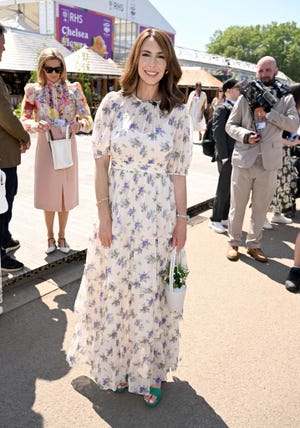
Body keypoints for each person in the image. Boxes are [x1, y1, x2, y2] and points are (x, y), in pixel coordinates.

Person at [66, 28, 192, 408]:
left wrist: (182, 219)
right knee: (116, 290)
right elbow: (101, 165)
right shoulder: (112, 105)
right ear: (136, 58)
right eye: (146, 55)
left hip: (157, 217)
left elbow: (179, 173)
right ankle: (117, 366)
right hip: (118, 215)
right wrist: (104, 215)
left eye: (160, 57)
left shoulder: (179, 113)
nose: (153, 64)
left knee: (149, 293)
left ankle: (147, 371)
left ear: (168, 64)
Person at [225, 56, 299, 263]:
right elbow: (230, 125)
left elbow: (293, 125)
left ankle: (254, 246)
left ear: (275, 71)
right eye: (261, 71)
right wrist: (245, 136)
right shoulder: (244, 96)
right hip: (243, 159)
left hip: (269, 162)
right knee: (237, 206)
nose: (265, 74)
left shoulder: (286, 98)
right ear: (256, 73)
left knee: (260, 208)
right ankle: (233, 243)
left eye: (268, 70)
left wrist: (269, 114)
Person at [21, 48, 93, 254]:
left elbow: (89, 119)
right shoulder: (33, 91)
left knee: (65, 192)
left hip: (68, 142)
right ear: (42, 69)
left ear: (63, 68)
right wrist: (34, 126)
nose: (54, 73)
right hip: (46, 144)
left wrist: (79, 125)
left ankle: (62, 236)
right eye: (49, 69)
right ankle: (49, 237)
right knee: (48, 191)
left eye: (58, 68)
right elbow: (24, 118)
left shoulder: (75, 90)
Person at [0, 23, 31, 272]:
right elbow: (6, 116)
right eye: (0, 46)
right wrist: (23, 135)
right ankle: (1, 253)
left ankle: (5, 239)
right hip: (2, 157)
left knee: (7, 200)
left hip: (6, 156)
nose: (3, 50)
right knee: (2, 202)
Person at [264, 83, 300, 229]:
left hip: (285, 152)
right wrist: (290, 143)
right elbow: (272, 133)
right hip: (276, 150)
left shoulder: (293, 111)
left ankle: (277, 213)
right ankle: (262, 216)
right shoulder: (282, 110)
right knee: (270, 186)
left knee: (282, 185)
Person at [209, 78, 241, 234]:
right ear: (228, 91)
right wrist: (223, 156)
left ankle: (223, 217)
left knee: (230, 187)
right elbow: (218, 133)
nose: (240, 90)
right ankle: (215, 219)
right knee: (223, 187)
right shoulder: (222, 108)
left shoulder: (238, 107)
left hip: (235, 154)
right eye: (237, 88)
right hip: (226, 154)